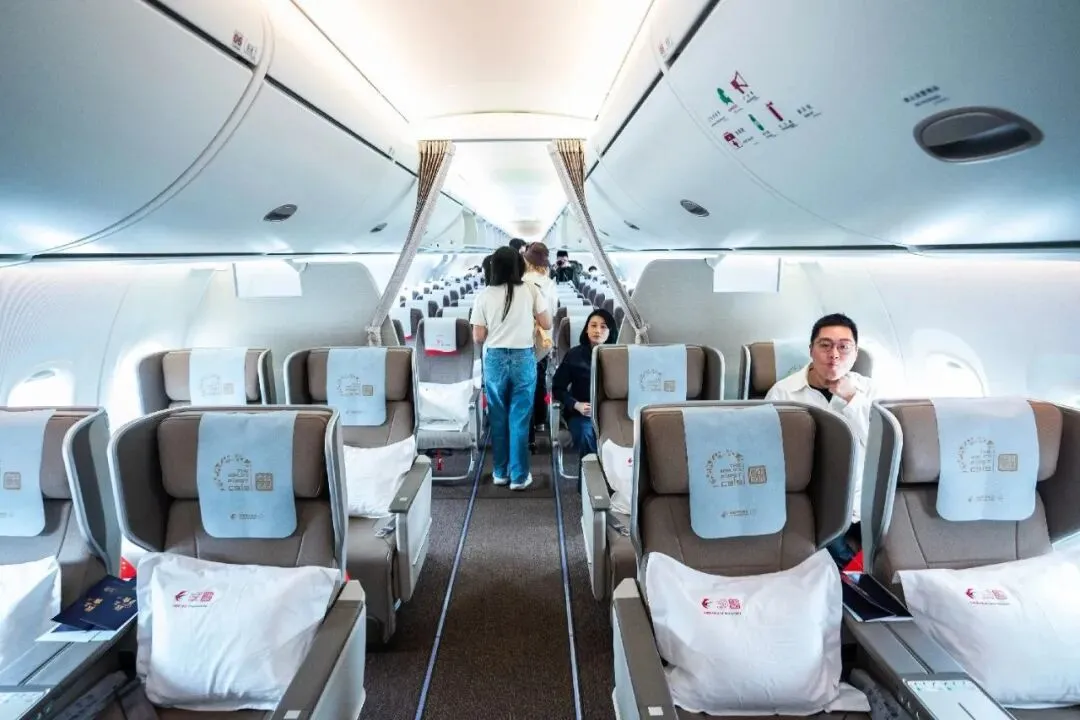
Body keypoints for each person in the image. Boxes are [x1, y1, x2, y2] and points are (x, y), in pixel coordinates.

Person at [765, 313, 876, 566]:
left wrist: (853, 400)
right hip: (812, 501)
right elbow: (772, 454)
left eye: (843, 347)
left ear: (855, 354)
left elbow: (883, 447)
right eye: (825, 345)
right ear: (811, 351)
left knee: (890, 554)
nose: (834, 354)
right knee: (835, 560)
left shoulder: (871, 392)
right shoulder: (783, 393)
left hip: (864, 500)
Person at [470, 247, 552, 490]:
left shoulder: (484, 295)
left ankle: (500, 473)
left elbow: (478, 336)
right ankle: (519, 476)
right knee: (520, 418)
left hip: (495, 359)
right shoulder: (531, 289)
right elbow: (547, 323)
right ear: (519, 266)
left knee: (498, 417)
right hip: (523, 358)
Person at [551, 308, 618, 456]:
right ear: (586, 329)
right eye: (593, 325)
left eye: (603, 327)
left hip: (612, 414)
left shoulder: (619, 356)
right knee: (585, 433)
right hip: (582, 414)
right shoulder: (574, 355)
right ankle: (590, 469)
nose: (597, 330)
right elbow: (557, 388)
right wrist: (576, 405)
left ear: (611, 332)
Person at [522, 242, 559, 449]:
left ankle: (527, 434)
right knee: (540, 380)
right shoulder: (550, 284)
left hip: (526, 338)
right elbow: (553, 313)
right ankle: (540, 421)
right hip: (544, 340)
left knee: (525, 385)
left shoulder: (522, 282)